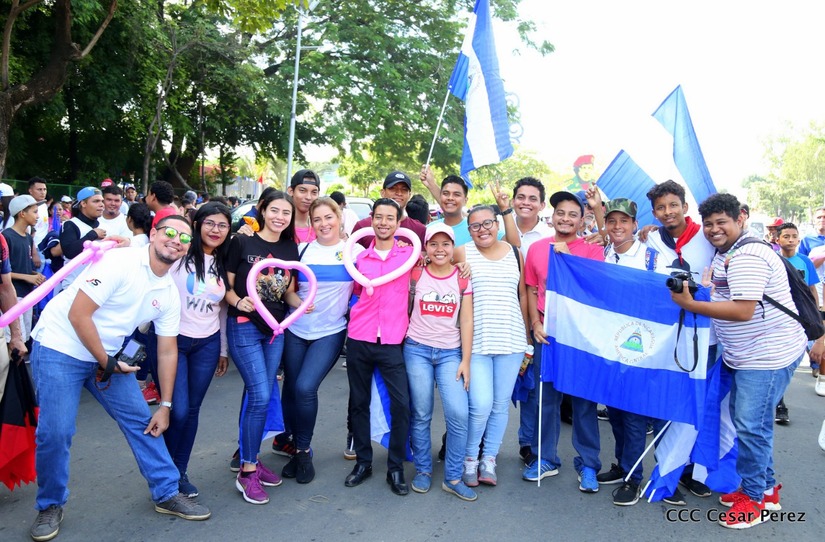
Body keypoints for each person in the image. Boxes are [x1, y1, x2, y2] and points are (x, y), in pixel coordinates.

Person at [28, 215, 210, 541]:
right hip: (60, 346)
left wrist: (165, 405)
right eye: (169, 232)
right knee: (56, 431)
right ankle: (51, 504)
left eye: (184, 237)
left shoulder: (168, 292)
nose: (176, 240)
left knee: (144, 420)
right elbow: (78, 314)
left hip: (107, 357)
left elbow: (168, 350)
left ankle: (167, 491)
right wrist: (106, 362)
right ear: (153, 234)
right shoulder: (121, 262)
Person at [670, 193, 807, 530]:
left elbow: (743, 310)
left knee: (751, 426)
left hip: (766, 357)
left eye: (722, 222)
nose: (714, 230)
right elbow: (726, 295)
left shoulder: (747, 255)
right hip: (747, 354)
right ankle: (766, 489)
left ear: (740, 218)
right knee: (751, 424)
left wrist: (692, 305)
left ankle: (754, 500)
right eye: (709, 224)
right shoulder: (727, 252)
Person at [521, 191, 604, 492]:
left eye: (572, 214)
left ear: (583, 220)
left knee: (583, 401)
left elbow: (594, 289)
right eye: (561, 213)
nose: (565, 218)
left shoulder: (593, 250)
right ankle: (545, 458)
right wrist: (534, 322)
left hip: (581, 335)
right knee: (546, 398)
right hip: (547, 332)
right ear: (552, 216)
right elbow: (531, 290)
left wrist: (569, 258)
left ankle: (589, 464)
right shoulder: (537, 249)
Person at [641, 179, 717, 504]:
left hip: (707, 336)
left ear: (685, 207)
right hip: (667, 337)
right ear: (654, 212)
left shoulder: (708, 238)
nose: (667, 212)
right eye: (660, 207)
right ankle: (667, 466)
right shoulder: (650, 240)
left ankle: (691, 471)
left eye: (673, 205)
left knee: (700, 404)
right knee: (668, 402)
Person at [224, 190, 298, 505]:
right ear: (263, 210)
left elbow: (289, 294)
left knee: (265, 396)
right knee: (258, 395)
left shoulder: (289, 247)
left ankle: (252, 457)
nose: (280, 217)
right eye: (275, 210)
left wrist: (302, 305)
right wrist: (237, 300)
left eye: (287, 213)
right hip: (244, 327)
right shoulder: (242, 242)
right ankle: (247, 470)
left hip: (275, 330)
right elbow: (224, 286)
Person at [279, 197, 361, 484]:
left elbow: (371, 281)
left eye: (329, 217)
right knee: (290, 388)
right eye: (317, 219)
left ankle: (303, 451)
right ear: (311, 223)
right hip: (297, 329)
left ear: (339, 218)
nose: (324, 224)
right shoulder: (303, 251)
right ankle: (293, 446)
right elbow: (288, 291)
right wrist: (297, 300)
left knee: (304, 387)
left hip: (330, 331)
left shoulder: (353, 251)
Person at [158, 203, 231, 499]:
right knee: (178, 409)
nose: (215, 230)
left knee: (192, 410)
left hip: (207, 342)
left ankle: (179, 471)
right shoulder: (180, 253)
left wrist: (223, 349)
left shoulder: (226, 261)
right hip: (172, 340)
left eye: (222, 225)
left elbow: (223, 309)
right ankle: (163, 470)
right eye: (210, 223)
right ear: (198, 224)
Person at [344, 198, 414, 496]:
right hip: (360, 337)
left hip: (393, 340)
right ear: (371, 220)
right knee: (358, 403)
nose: (384, 223)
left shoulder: (410, 255)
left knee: (401, 405)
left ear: (399, 222)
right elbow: (356, 292)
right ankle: (363, 461)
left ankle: (395, 466)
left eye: (390, 218)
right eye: (379, 217)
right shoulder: (360, 258)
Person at [405, 222, 475, 500]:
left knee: (459, 413)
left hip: (450, 354)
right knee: (421, 413)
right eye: (433, 244)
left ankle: (454, 476)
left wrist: (466, 360)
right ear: (425, 247)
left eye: (446, 244)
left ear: (453, 247)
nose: (440, 249)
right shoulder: (416, 272)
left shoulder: (462, 278)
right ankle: (423, 470)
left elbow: (467, 320)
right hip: (417, 350)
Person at [597, 197, 660, 506]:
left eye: (624, 221)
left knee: (634, 416)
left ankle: (634, 478)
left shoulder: (652, 257)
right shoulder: (607, 254)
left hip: (639, 347)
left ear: (636, 225)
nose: (617, 226)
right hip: (611, 347)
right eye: (612, 221)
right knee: (616, 414)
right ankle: (622, 465)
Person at [461, 205, 528, 488]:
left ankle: (489, 459)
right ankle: (469, 459)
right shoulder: (462, 252)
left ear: (497, 224)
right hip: (476, 342)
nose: (482, 230)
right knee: (480, 405)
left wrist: (526, 338)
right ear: (469, 231)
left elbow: (523, 293)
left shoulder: (515, 253)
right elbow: (435, 267)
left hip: (511, 340)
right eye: (475, 226)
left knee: (500, 405)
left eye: (487, 223)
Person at [2, 195, 45, 345]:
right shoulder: (6, 237)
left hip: (27, 296)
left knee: (24, 337)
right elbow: (4, 272)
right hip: (12, 297)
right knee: (12, 339)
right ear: (22, 213)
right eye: (34, 211)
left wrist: (34, 275)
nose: (38, 216)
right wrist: (27, 278)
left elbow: (24, 265)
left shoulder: (28, 237)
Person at [352, 171, 426, 246]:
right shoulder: (361, 226)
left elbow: (424, 256)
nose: (399, 193)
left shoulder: (419, 229)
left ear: (409, 195)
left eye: (404, 190)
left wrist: (409, 251)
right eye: (393, 188)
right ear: (382, 192)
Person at [58, 187, 108, 291]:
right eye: (96, 201)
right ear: (83, 204)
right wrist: (92, 235)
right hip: (73, 287)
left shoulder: (104, 224)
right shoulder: (70, 224)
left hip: (97, 288)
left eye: (102, 201)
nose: (102, 204)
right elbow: (69, 252)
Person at [287, 169, 321, 244]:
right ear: (291, 191)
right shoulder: (281, 224)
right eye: (302, 190)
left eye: (314, 192)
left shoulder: (321, 227)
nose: (308, 197)